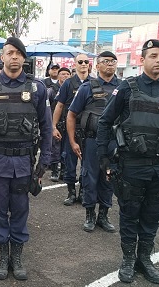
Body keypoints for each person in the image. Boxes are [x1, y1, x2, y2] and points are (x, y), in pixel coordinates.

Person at [96, 39, 159, 284]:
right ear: (142, 59)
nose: (158, 60)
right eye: (153, 56)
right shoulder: (127, 88)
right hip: (132, 165)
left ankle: (145, 259)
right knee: (129, 213)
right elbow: (105, 122)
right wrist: (104, 159)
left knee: (152, 215)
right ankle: (128, 259)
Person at [0, 37, 52, 281]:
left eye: (18, 53)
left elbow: (47, 127)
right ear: (2, 57)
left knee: (20, 210)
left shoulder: (37, 89)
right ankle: (2, 256)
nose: (14, 57)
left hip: (24, 163)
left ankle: (17, 256)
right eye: (9, 53)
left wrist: (43, 163)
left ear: (24, 58)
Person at [67, 51, 120, 233]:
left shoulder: (123, 88)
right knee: (90, 177)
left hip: (113, 143)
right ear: (96, 66)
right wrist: (73, 141)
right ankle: (90, 214)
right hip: (91, 141)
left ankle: (103, 215)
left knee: (109, 177)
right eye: (106, 61)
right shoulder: (87, 88)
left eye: (113, 61)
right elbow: (72, 114)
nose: (110, 64)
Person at [53, 54, 93, 205]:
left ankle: (83, 191)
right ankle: (71, 192)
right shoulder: (68, 83)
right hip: (71, 128)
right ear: (75, 64)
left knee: (87, 164)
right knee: (69, 162)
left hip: (88, 130)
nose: (83, 64)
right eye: (80, 62)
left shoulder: (95, 83)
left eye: (86, 62)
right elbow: (60, 105)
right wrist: (53, 126)